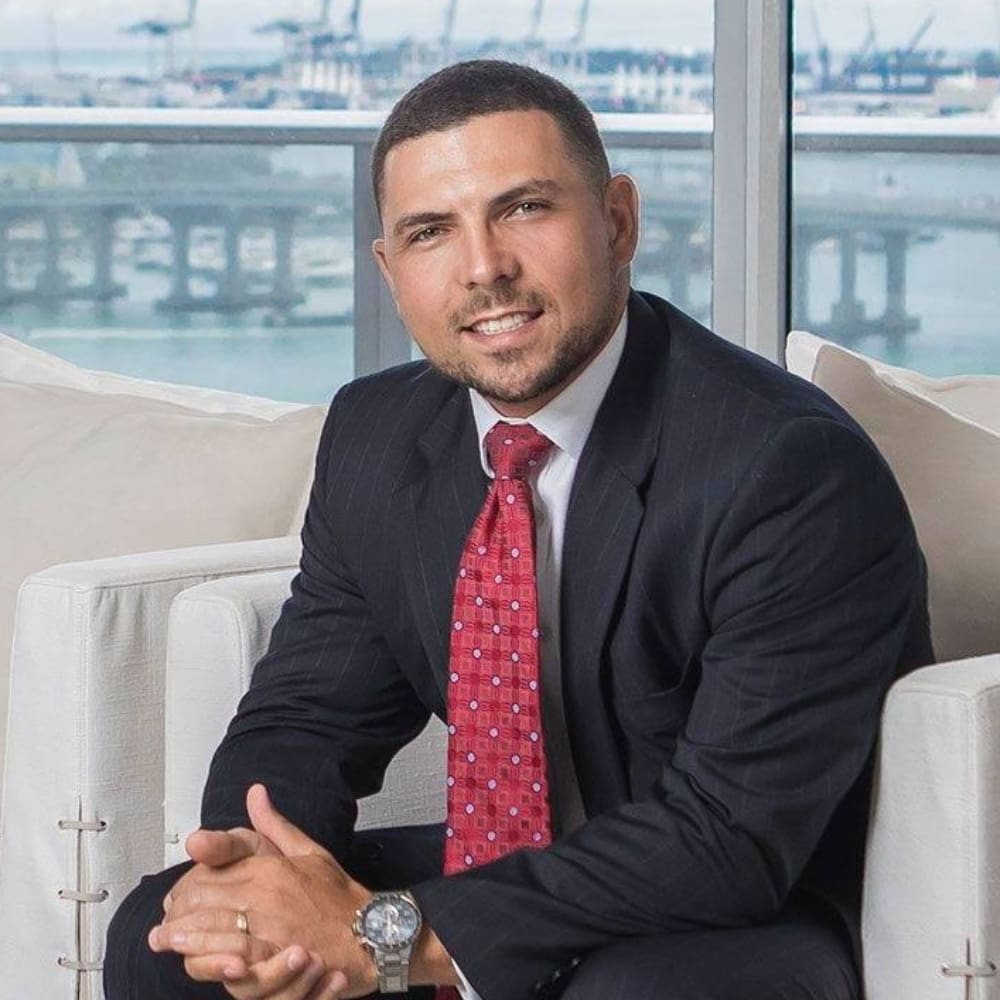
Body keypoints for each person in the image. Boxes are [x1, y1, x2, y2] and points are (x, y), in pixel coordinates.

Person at [105, 59, 932, 1000]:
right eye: (430, 232)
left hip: (741, 909)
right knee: (163, 934)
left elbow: (727, 836)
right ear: (389, 269)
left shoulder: (789, 468)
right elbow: (308, 718)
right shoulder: (379, 434)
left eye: (526, 208)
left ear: (618, 221)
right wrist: (257, 887)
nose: (484, 266)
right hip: (500, 868)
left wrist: (386, 937)